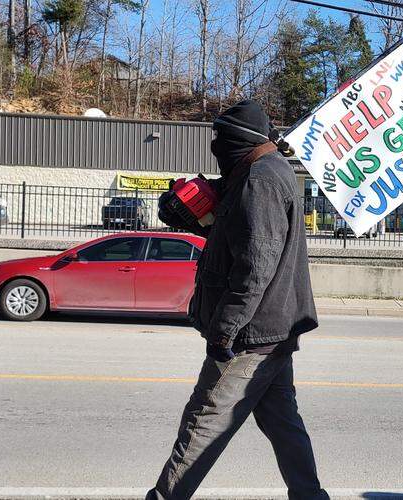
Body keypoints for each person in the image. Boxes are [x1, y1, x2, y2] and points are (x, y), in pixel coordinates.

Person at [147, 100, 327, 500]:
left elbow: (255, 265)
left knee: (201, 426)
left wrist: (224, 331)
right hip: (273, 331)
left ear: (238, 140)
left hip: (250, 335)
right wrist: (203, 215)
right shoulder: (259, 172)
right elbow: (238, 242)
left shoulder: (258, 181)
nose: (215, 146)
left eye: (220, 138)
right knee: (283, 424)